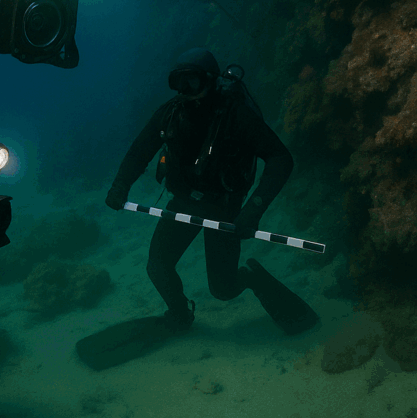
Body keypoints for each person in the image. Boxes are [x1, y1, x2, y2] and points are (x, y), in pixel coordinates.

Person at [105, 49, 318, 335]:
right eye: (178, 82)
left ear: (210, 80)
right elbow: (139, 151)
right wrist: (120, 186)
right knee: (157, 266)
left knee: (223, 290)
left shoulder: (236, 115)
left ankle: (252, 277)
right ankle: (180, 314)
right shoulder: (170, 114)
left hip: (223, 207)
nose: (184, 90)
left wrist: (253, 209)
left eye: (191, 81)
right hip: (184, 201)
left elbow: (280, 158)